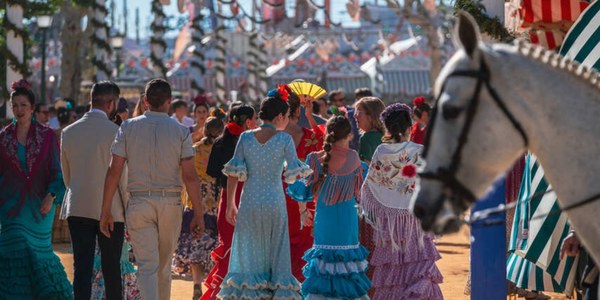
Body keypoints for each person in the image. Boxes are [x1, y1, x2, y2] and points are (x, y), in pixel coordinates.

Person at [100, 78, 205, 300]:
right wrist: (198, 212)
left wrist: (106, 209)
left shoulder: (128, 127)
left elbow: (114, 171)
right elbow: (190, 176)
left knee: (147, 266)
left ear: (145, 101)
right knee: (163, 267)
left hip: (139, 202)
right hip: (170, 202)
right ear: (169, 101)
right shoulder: (180, 131)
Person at [218, 86, 312, 299]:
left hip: (249, 201)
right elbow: (296, 174)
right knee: (275, 253)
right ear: (279, 116)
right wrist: (304, 203)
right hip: (274, 202)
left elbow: (233, 174)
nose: (288, 120)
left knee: (250, 252)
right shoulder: (284, 140)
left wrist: (231, 204)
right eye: (287, 116)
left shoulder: (246, 138)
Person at [359, 103, 443, 299]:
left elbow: (369, 187)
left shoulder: (381, 151)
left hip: (390, 227)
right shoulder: (420, 151)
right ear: (409, 128)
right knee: (419, 268)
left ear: (387, 128)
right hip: (416, 222)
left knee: (393, 272)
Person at [0, 79, 72, 298]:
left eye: (23, 105)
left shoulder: (47, 136)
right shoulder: (2, 139)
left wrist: (51, 196)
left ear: (32, 108)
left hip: (41, 208)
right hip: (10, 209)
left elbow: (58, 173)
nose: (19, 109)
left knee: (37, 257)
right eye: (15, 105)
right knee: (17, 249)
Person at [287, 115, 371, 299]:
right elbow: (362, 188)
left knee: (323, 266)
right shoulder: (355, 158)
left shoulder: (314, 159)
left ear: (327, 133)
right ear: (349, 135)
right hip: (348, 222)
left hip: (324, 221)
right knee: (347, 266)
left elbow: (302, 190)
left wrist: (292, 177)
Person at [60, 81, 128, 300]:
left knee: (82, 270)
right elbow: (122, 178)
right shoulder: (116, 131)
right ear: (111, 103)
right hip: (111, 209)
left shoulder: (68, 132)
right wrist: (128, 208)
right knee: (112, 270)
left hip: (78, 204)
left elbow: (67, 175)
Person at [201, 103, 257, 299]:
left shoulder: (221, 141)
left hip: (227, 196)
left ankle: (223, 291)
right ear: (247, 121)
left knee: (229, 243)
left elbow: (212, 171)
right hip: (248, 196)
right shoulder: (252, 142)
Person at [173, 113, 225, 299]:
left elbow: (184, 176)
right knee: (212, 249)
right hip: (215, 204)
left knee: (195, 245)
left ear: (204, 130)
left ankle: (196, 284)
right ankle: (210, 284)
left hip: (194, 203)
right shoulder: (222, 152)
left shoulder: (193, 150)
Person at [283, 89, 324, 281]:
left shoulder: (272, 136)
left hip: (280, 193)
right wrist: (310, 116)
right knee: (305, 243)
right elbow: (326, 144)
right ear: (298, 111)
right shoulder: (310, 136)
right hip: (304, 194)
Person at [354, 96, 385, 164]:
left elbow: (365, 169)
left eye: (359, 111)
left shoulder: (366, 138)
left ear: (371, 116)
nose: (355, 115)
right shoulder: (388, 136)